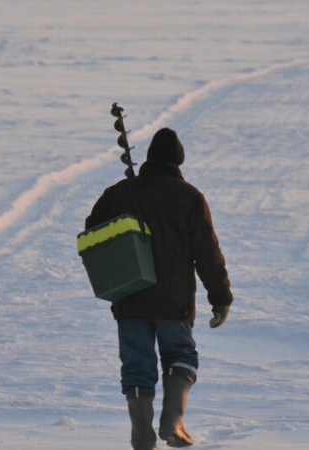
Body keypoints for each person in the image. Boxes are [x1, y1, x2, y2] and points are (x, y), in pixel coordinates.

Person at [85, 127, 233, 449]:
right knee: (180, 355)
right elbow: (208, 253)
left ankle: (141, 433)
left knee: (137, 366)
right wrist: (220, 298)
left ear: (150, 158)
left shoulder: (121, 192)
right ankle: (173, 420)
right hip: (174, 301)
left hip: (130, 298)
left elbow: (92, 231)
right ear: (178, 161)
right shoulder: (191, 198)